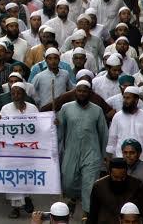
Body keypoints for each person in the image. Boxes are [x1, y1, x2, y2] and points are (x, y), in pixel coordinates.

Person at [56, 80, 108, 220]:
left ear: (89, 93)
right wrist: (55, 124)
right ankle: (73, 198)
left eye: (85, 91)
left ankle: (87, 214)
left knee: (89, 185)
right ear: (75, 92)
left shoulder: (97, 110)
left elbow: (103, 133)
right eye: (79, 90)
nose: (82, 93)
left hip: (92, 153)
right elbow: (59, 131)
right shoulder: (66, 108)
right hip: (71, 152)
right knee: (67, 182)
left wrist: (104, 155)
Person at [88, 157, 143, 224]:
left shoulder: (137, 185)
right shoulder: (99, 186)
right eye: (116, 177)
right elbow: (93, 214)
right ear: (110, 173)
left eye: (122, 178)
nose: (119, 180)